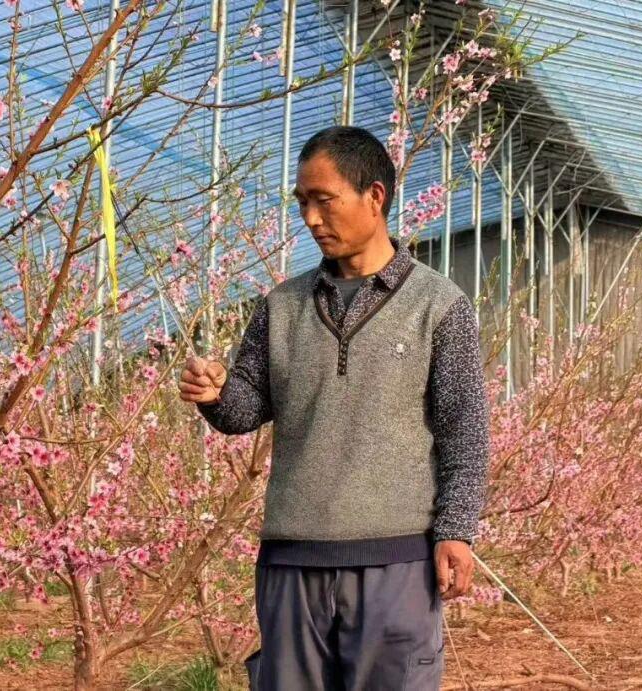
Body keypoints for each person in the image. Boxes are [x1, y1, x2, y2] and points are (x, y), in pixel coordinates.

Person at [178, 126, 490, 690]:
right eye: (302, 202)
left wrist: (456, 530)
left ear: (375, 196)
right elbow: (244, 409)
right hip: (292, 558)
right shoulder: (282, 305)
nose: (311, 218)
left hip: (395, 560)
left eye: (324, 200)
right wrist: (216, 392)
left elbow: (463, 431)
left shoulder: (439, 306)